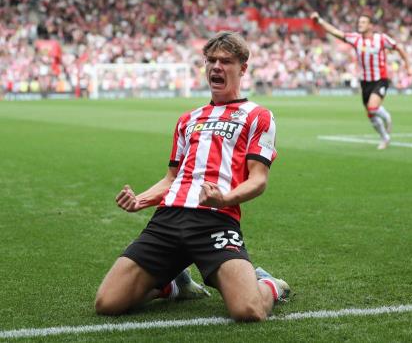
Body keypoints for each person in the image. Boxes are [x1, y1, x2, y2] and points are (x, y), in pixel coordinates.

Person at [95, 31, 290, 321]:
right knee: (107, 303)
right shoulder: (187, 119)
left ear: (243, 68)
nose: (216, 67)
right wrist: (141, 200)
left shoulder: (257, 116)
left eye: (226, 61)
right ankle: (173, 286)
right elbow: (171, 178)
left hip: (216, 219)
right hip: (168, 218)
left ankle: (271, 285)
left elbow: (258, 179)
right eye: (211, 60)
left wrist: (224, 199)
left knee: (248, 310)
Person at [311, 11, 411, 149]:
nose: (360, 24)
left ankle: (387, 117)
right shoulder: (355, 39)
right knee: (370, 114)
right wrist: (320, 21)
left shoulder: (381, 39)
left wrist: (408, 66)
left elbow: (399, 48)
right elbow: (335, 32)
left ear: (370, 26)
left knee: (373, 107)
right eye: (359, 22)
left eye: (363, 22)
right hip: (365, 82)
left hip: (380, 79)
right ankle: (385, 137)